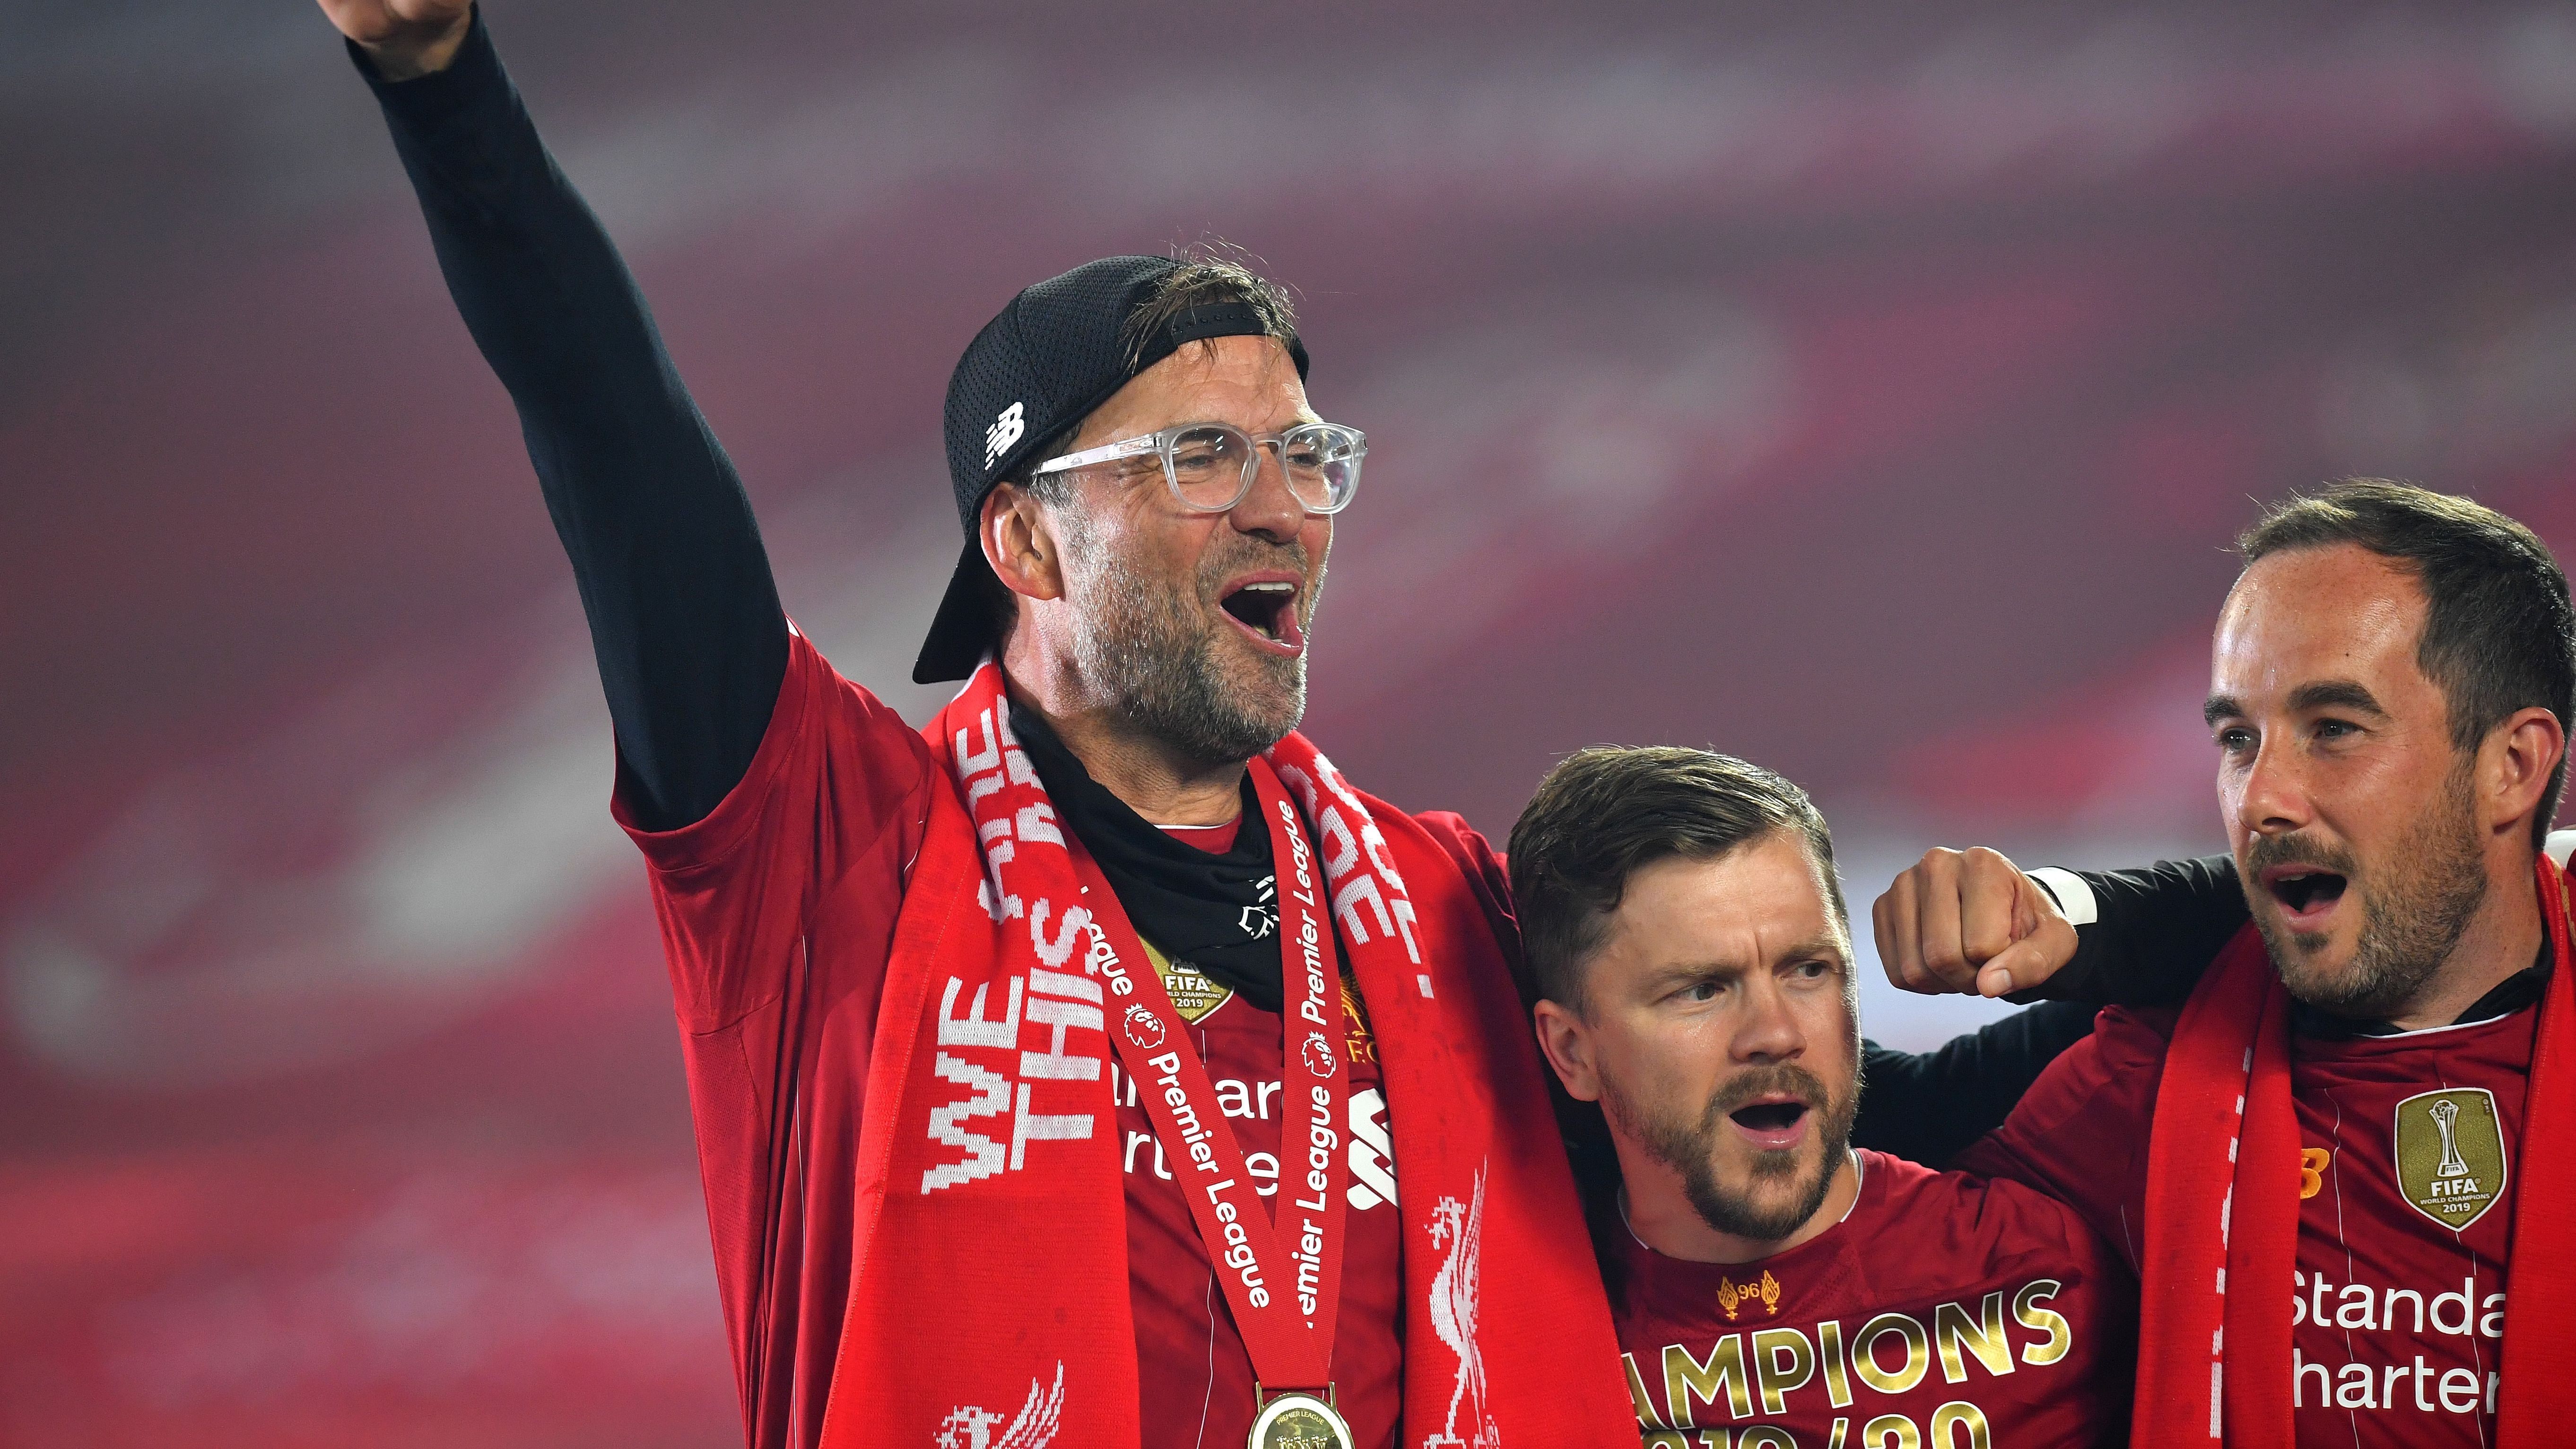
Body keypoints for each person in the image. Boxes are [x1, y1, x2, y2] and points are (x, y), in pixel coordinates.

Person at [314, 4, 2108, 1444]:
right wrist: (441, 86)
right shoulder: (834, 852)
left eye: (1303, 456)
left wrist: (2109, 934)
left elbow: (1787, 1122)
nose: (1284, 510)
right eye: (1199, 458)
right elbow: (621, 454)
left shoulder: (1437, 903)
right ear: (1024, 538)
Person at [1876, 480, 2576, 1446]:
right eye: (2239, 738)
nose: (2263, 798)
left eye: (2335, 728)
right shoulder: (2144, 1063)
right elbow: (1836, 1149)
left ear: (2513, 764)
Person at [1507, 746, 2134, 1447]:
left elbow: (2270, 936)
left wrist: (2075, 910)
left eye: (1808, 970)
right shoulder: (1499, 1353)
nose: (1775, 1034)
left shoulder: (2056, 1252)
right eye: (1701, 990)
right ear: (1572, 1051)